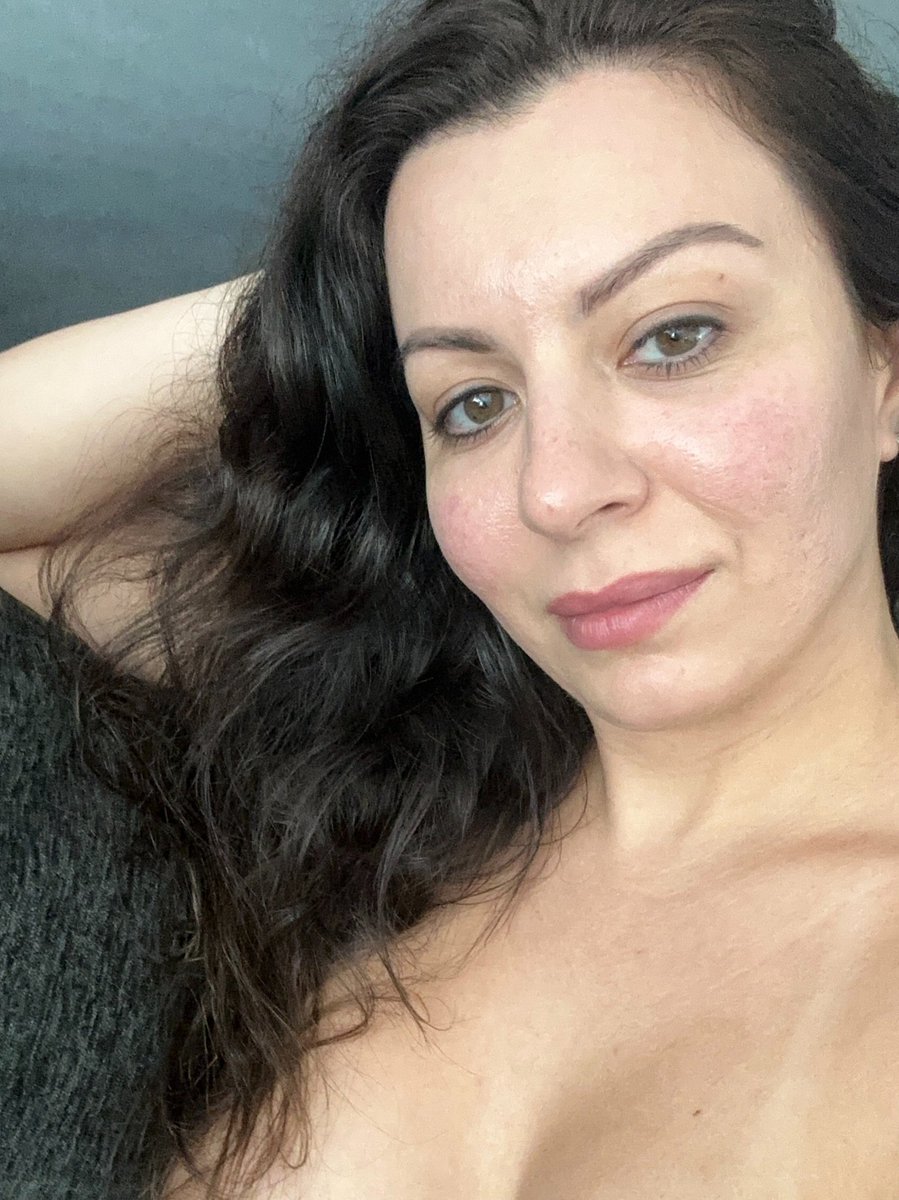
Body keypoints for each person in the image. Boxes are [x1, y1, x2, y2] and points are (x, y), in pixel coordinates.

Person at [4, 0, 899, 1194]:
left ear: (882, 364)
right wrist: (330, 315)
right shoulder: (389, 763)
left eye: (673, 335)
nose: (558, 489)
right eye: (471, 403)